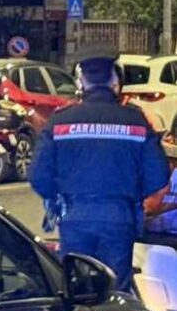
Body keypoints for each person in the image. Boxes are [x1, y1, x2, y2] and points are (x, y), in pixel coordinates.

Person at [30, 45, 170, 288]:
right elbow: (158, 176)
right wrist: (131, 193)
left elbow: (38, 176)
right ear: (115, 81)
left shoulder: (60, 121)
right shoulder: (135, 121)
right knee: (115, 290)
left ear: (80, 82)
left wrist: (62, 195)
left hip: (74, 217)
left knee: (76, 287)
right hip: (120, 218)